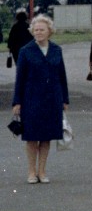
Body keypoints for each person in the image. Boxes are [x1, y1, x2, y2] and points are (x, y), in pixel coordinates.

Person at [10, 14, 69, 184]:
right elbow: (20, 78)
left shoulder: (56, 50)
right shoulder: (25, 51)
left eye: (42, 30)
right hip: (31, 99)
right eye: (36, 30)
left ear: (49, 31)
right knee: (31, 136)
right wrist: (17, 101)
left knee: (46, 136)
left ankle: (42, 171)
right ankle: (31, 172)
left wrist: (64, 99)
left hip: (52, 99)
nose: (38, 33)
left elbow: (62, 76)